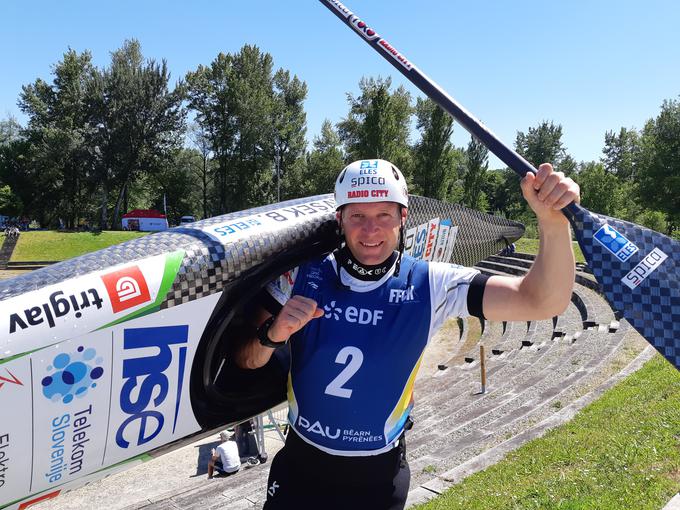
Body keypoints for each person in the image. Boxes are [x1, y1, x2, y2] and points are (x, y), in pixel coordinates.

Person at [235, 159, 580, 509]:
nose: (370, 230)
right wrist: (273, 335)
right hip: (300, 468)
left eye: (384, 215)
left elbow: (541, 301)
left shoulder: (433, 283)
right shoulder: (300, 277)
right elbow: (245, 361)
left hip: (376, 478)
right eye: (357, 216)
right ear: (339, 219)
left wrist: (552, 223)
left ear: (403, 217)